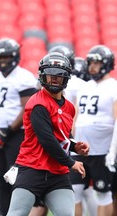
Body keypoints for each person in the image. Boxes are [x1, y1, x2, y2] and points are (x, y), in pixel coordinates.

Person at [6, 52, 89, 216]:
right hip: (32, 168)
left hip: (57, 173)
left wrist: (74, 146)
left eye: (59, 75)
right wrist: (71, 162)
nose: (54, 79)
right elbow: (47, 140)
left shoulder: (70, 107)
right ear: (43, 76)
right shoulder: (38, 103)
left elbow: (60, 138)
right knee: (16, 214)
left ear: (66, 77)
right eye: (50, 75)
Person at [0, 38, 38, 215]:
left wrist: (10, 130)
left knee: (17, 182)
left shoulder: (24, 77)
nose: (2, 61)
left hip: (17, 135)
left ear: (15, 57)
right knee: (1, 182)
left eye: (6, 57)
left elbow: (27, 109)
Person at [49, 46, 97, 216]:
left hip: (66, 134)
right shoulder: (81, 84)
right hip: (69, 134)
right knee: (84, 189)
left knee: (77, 189)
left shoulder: (78, 85)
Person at [70, 45, 117, 216]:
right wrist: (72, 141)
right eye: (90, 63)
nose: (92, 67)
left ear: (107, 64)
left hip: (102, 150)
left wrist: (113, 151)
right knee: (72, 192)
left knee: (103, 193)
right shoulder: (84, 87)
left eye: (96, 63)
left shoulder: (113, 87)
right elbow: (75, 116)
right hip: (80, 149)